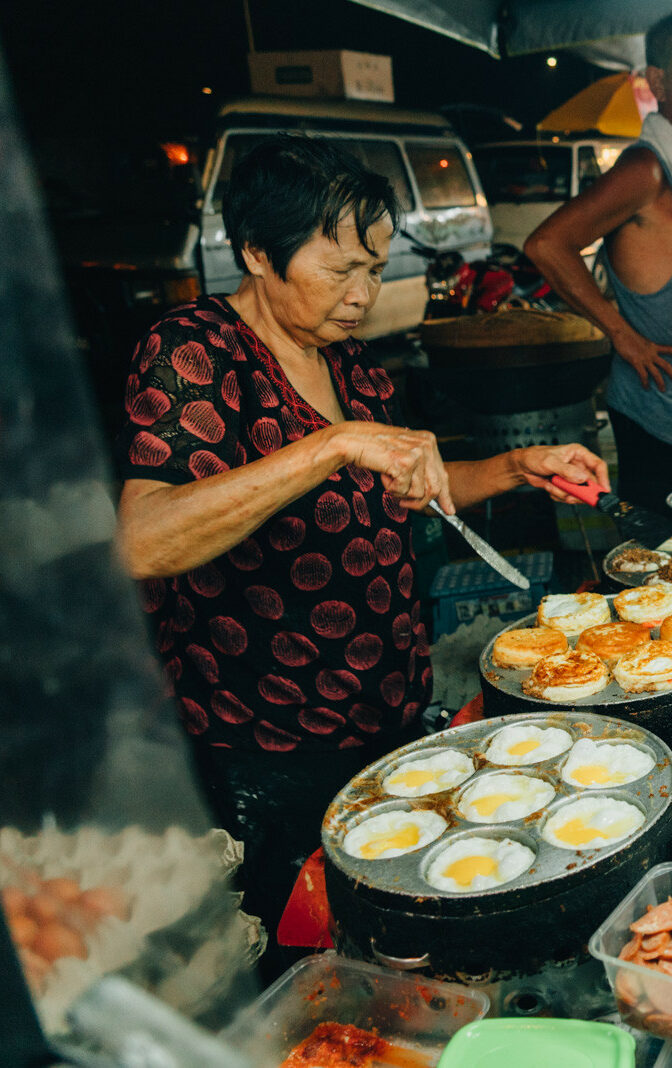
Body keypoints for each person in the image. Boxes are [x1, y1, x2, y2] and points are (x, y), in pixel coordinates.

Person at [113, 135, 609, 976]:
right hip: (263, 749)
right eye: (340, 268)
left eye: (374, 270)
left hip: (379, 720)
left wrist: (520, 468)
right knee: (291, 963)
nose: (363, 295)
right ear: (258, 253)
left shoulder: (351, 362)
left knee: (384, 954)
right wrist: (330, 446)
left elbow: (412, 481)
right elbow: (144, 538)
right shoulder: (196, 352)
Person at [526, 10, 672, 515]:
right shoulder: (647, 169)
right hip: (660, 419)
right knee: (665, 568)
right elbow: (547, 244)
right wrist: (622, 335)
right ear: (659, 82)